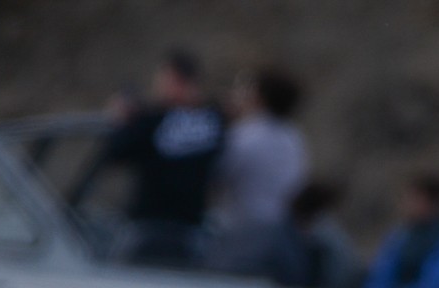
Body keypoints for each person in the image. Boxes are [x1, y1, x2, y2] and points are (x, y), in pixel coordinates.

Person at [69, 48, 226, 263]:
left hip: (151, 225)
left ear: (174, 80)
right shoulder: (214, 120)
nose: (158, 87)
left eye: (163, 80)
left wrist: (123, 121)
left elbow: (115, 152)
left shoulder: (153, 121)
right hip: (192, 228)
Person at [215, 67, 308, 227]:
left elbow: (217, 176)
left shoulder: (243, 136)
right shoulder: (294, 138)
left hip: (244, 227)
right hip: (283, 228)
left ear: (259, 97)